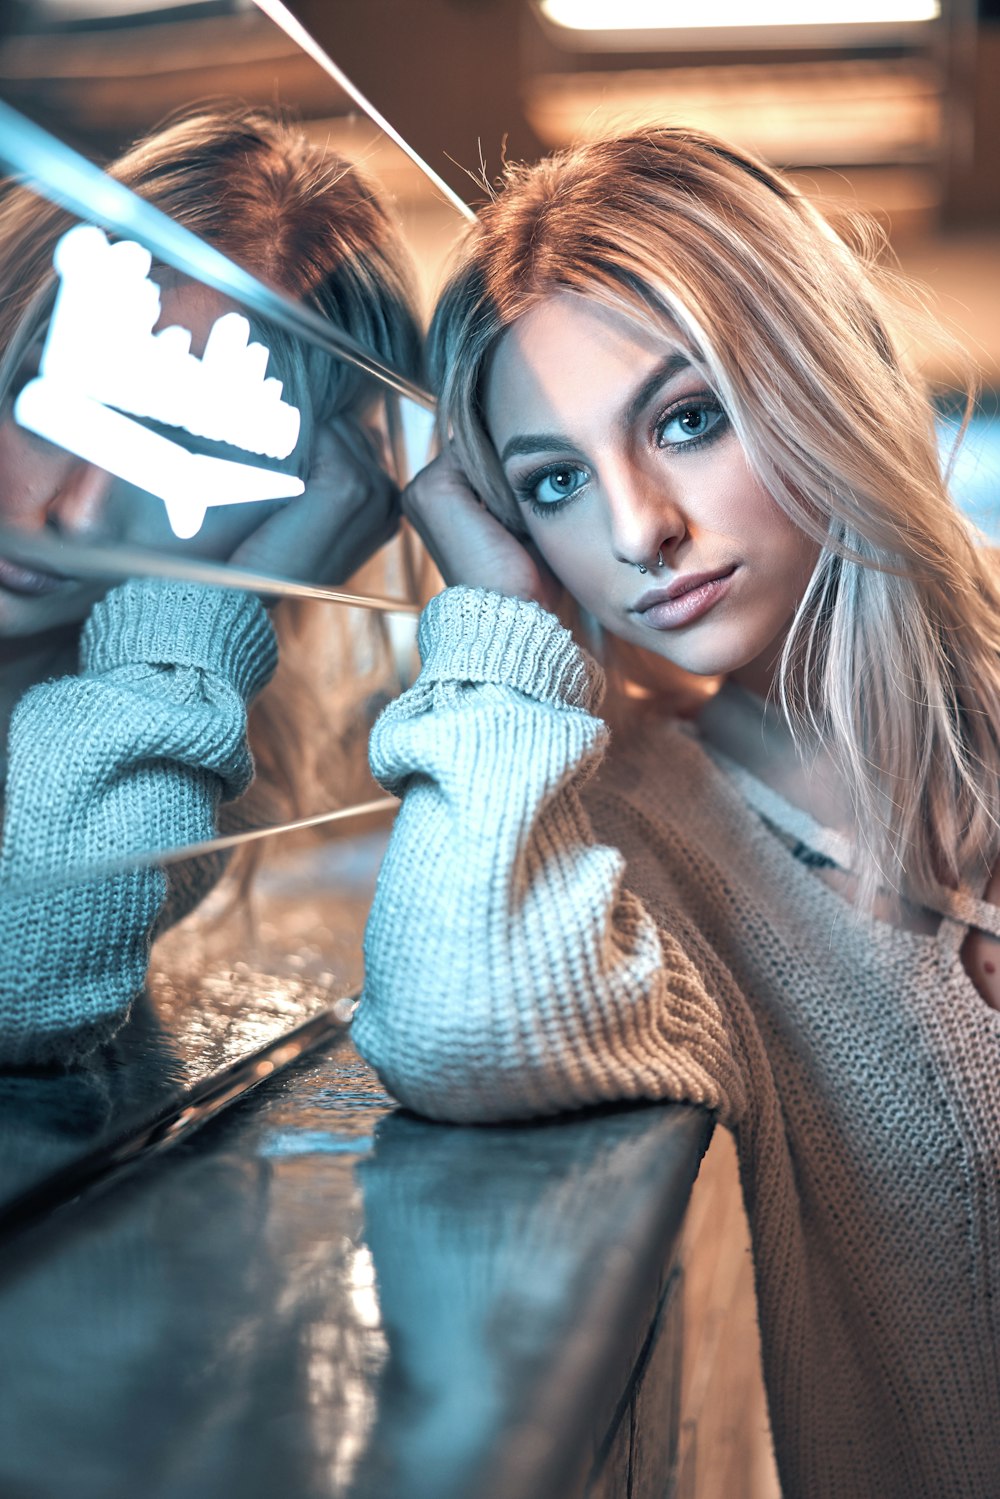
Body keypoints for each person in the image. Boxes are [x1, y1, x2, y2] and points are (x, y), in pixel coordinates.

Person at [354, 129, 1000, 1498]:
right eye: (552, 482)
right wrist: (494, 621)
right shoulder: (638, 835)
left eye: (686, 416)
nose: (638, 526)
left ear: (816, 376)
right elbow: (464, 1011)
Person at [0, 104, 422, 1064]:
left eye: (191, 448)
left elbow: (22, 993)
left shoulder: (189, 758)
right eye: (48, 401)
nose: (85, 510)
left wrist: (216, 614)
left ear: (305, 499)